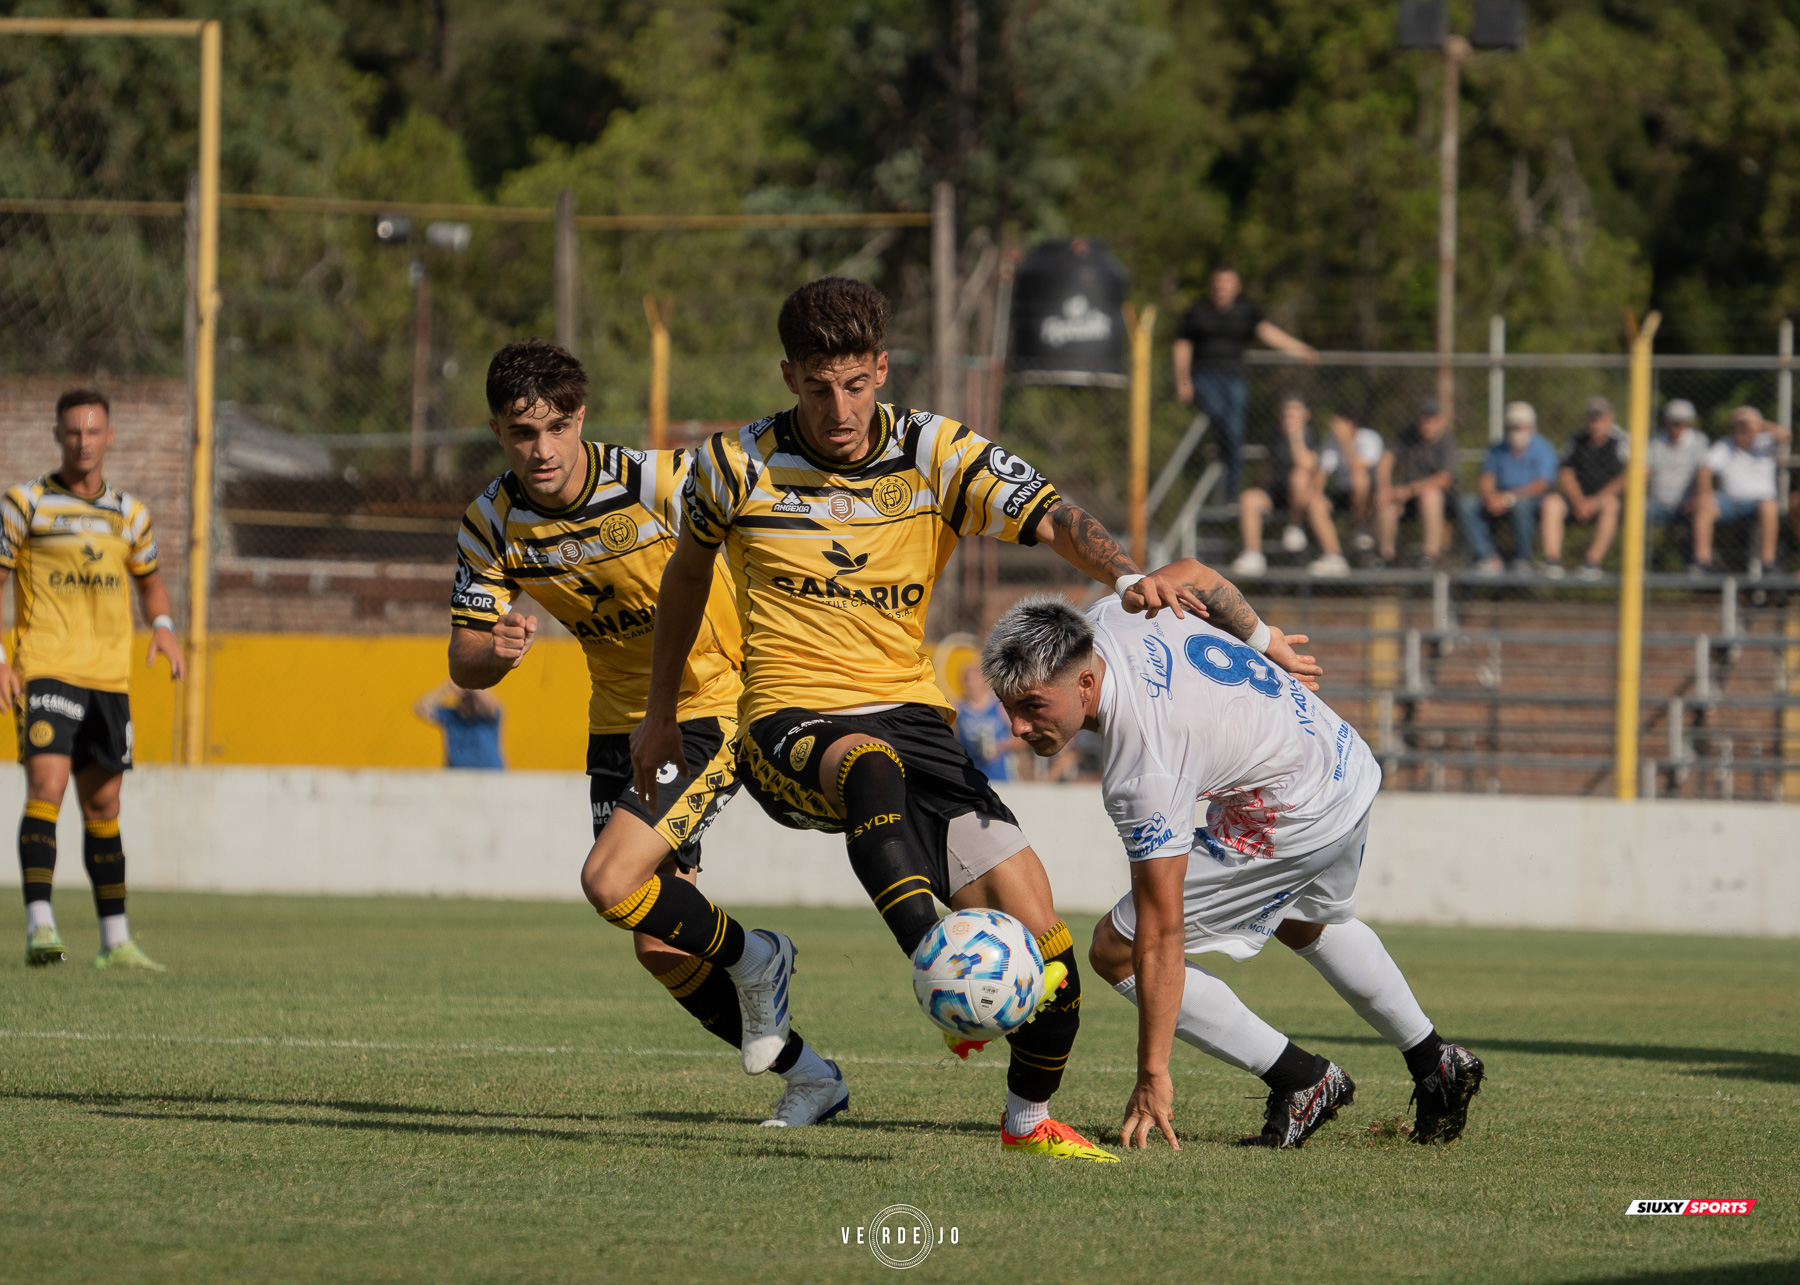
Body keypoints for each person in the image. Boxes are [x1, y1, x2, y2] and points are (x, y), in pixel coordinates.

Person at [636, 277, 1318, 1162]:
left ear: (882, 369)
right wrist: (660, 711)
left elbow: (1053, 515)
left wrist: (1123, 575)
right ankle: (937, 959)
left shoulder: (935, 451)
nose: (839, 409)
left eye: (855, 384)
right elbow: (686, 578)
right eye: (818, 387)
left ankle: (1027, 1124)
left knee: (1051, 961)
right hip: (790, 720)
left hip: (916, 722)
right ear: (789, 376)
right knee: (867, 764)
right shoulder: (734, 464)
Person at [448, 340, 845, 1127]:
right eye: (523, 432)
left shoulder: (657, 482)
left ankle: (759, 956)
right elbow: (464, 660)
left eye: (556, 427)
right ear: (497, 431)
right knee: (661, 943)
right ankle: (811, 1077)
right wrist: (494, 651)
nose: (542, 449)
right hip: (616, 727)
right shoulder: (491, 523)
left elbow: (768, 515)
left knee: (609, 881)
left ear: (580, 418)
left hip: (706, 708)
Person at [981, 589, 1485, 1152]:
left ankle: (1301, 1079)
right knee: (1304, 920)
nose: (1017, 727)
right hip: (1341, 759)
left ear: (1084, 683)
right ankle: (1435, 1060)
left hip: (1292, 810)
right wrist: (1264, 637)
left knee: (1116, 949)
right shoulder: (1118, 608)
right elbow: (1194, 575)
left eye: (1032, 706)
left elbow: (1162, 932)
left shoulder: (1145, 767)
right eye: (1008, 706)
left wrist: (1153, 1072)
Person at [0, 389, 184, 971]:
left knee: (104, 802)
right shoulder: (25, 504)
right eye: (74, 432)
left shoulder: (131, 513)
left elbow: (150, 582)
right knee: (47, 786)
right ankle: (40, 926)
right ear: (58, 435)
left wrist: (163, 627)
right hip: (45, 667)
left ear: (109, 437)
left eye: (93, 431)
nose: (84, 442)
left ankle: (115, 940)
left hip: (109, 678)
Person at [1172, 266, 1317, 499]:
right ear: (1212, 285)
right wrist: (1183, 381)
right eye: (1219, 282)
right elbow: (1182, 345)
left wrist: (1300, 349)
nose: (1222, 287)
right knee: (1219, 415)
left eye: (1227, 282)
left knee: (1236, 432)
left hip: (1235, 378)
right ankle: (1223, 452)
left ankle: (1231, 491)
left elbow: (1267, 332)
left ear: (1236, 286)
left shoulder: (1245, 309)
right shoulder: (1198, 310)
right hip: (1205, 378)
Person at [1231, 393, 1349, 578]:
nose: (1288, 419)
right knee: (1248, 498)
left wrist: (1295, 437)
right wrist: (1260, 486)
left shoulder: (1311, 436)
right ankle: (1252, 555)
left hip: (1302, 497)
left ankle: (1297, 528)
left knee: (1298, 477)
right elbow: (1268, 468)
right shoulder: (1274, 435)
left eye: (1294, 415)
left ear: (1305, 415)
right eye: (1285, 415)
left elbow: (1306, 464)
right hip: (1277, 492)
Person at [1456, 401, 1559, 574]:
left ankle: (1523, 559)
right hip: (1499, 496)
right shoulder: (1498, 449)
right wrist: (1490, 497)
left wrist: (1509, 498)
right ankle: (1487, 556)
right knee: (1467, 504)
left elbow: (1542, 484)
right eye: (1512, 426)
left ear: (1531, 426)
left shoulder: (1543, 448)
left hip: (1528, 499)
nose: (1515, 431)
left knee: (1521, 507)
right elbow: (1487, 478)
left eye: (1520, 426)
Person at [1693, 405, 1790, 576]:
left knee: (1769, 506)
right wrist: (1704, 495)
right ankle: (1702, 562)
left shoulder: (1765, 441)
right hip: (1728, 502)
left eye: (1746, 425)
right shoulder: (1725, 444)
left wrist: (1758, 423)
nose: (1742, 429)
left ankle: (1768, 563)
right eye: (1738, 424)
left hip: (1758, 504)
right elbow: (1704, 469)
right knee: (1704, 506)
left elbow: (1786, 436)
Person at [1542, 396, 1629, 579]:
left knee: (1611, 504)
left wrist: (1595, 500)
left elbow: (1631, 475)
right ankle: (1552, 561)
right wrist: (1579, 501)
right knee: (1551, 502)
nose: (1595, 423)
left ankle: (1592, 562)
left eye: (1600, 418)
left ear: (1610, 418)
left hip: (1604, 500)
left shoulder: (1622, 441)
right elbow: (1566, 473)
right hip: (1578, 500)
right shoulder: (1576, 441)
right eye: (1592, 418)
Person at [1375, 398, 1456, 568]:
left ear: (1440, 421)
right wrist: (1384, 488)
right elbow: (1386, 460)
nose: (1427, 425)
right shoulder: (1407, 435)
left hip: (1442, 499)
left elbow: (1444, 480)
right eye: (1424, 419)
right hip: (1409, 496)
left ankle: (1430, 556)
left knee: (1430, 496)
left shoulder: (1447, 441)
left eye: (1431, 420)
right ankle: (1386, 558)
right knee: (1386, 502)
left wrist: (1410, 489)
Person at [1644, 399, 1715, 571]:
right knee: (1634, 508)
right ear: (1666, 422)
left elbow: (1703, 474)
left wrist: (1698, 497)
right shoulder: (1655, 442)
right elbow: (1643, 472)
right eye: (1674, 422)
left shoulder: (1699, 442)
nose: (1678, 426)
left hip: (1687, 504)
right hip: (1657, 503)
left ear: (1690, 423)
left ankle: (1700, 563)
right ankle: (1635, 563)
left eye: (1683, 422)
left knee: (1704, 505)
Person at [1317, 411, 1383, 556]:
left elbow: (1358, 466)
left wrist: (1345, 441)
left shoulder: (1370, 438)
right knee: (1316, 502)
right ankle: (1333, 555)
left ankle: (1360, 526)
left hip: (1367, 495)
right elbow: (1322, 474)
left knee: (1359, 478)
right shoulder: (1331, 441)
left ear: (1351, 424)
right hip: (1342, 492)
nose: (1334, 428)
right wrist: (1317, 495)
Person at [412, 679, 503, 769]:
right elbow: (420, 708)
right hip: (456, 775)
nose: (468, 702)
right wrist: (446, 688)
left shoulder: (488, 718)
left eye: (471, 699)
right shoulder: (451, 716)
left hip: (489, 774)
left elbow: (488, 702)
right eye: (465, 698)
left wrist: (472, 685)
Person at [954, 662, 1019, 783]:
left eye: (974, 679)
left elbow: (1020, 739)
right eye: (966, 679)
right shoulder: (958, 709)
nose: (970, 683)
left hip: (1000, 776)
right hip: (971, 775)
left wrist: (999, 747)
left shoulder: (999, 706)